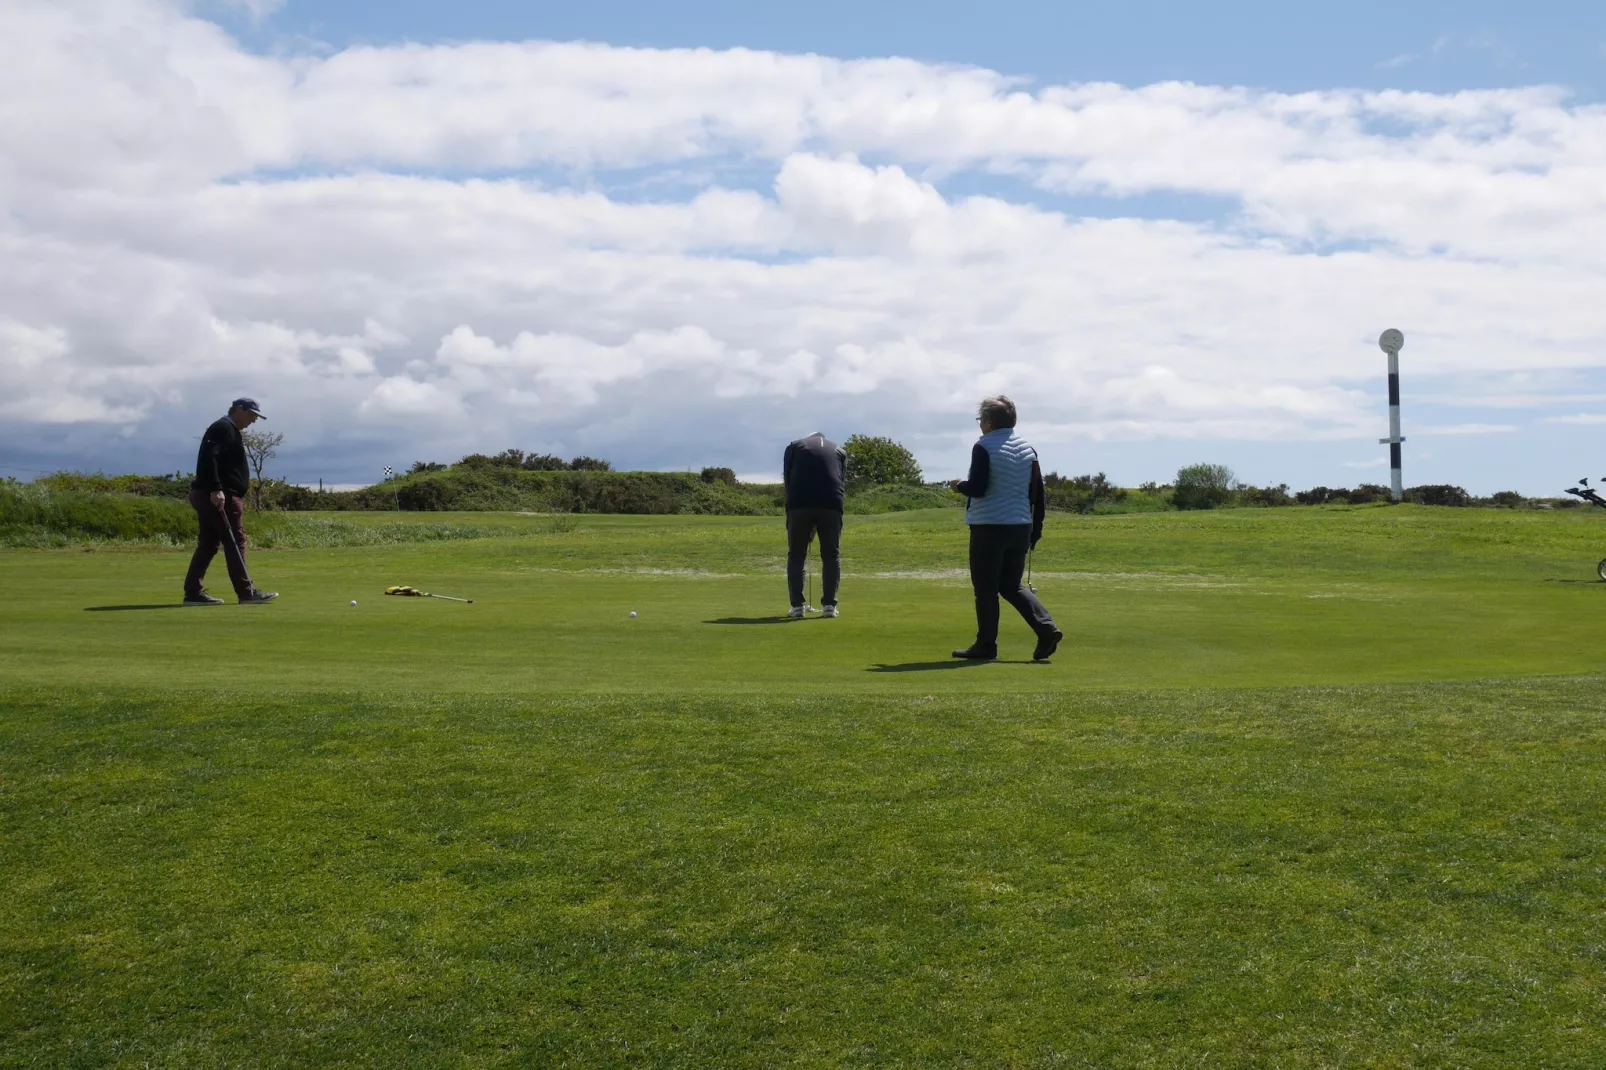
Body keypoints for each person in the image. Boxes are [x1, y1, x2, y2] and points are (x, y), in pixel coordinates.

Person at [948, 396, 1061, 660]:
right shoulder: (1027, 449)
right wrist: (1036, 530)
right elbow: (1037, 494)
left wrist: (958, 485)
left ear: (988, 422)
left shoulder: (984, 446)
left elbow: (978, 488)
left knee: (986, 588)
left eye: (981, 420)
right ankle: (1046, 629)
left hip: (990, 526)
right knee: (1011, 585)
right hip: (1020, 525)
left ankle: (986, 645)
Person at [183, 398, 278, 605]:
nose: (253, 420)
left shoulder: (229, 430)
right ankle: (246, 592)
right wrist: (216, 488)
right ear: (238, 410)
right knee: (235, 541)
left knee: (209, 544)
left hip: (213, 493)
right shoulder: (223, 428)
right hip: (219, 495)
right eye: (251, 415)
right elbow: (209, 458)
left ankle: (193, 592)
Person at [782, 431, 846, 618]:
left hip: (799, 503)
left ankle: (797, 607)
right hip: (832, 503)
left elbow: (788, 480)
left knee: (796, 554)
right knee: (831, 554)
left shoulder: (794, 446)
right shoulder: (840, 450)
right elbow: (841, 481)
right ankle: (829, 606)